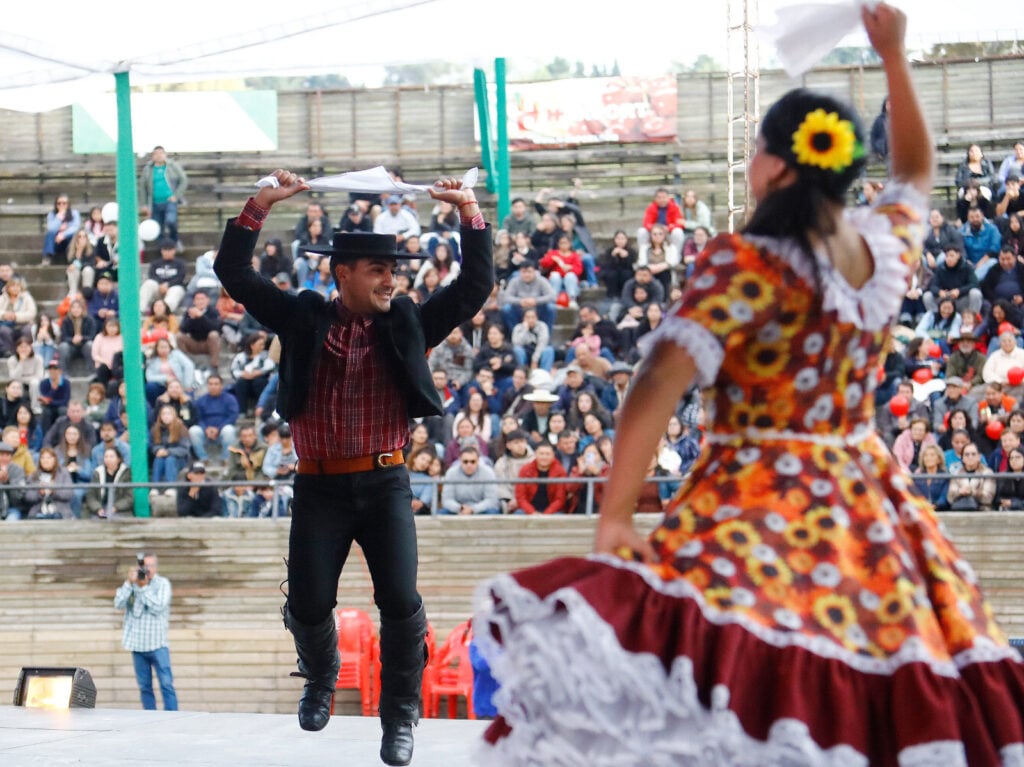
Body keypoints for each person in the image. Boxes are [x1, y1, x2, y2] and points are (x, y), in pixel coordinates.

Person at [474, 6, 1024, 763]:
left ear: (777, 166)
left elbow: (658, 377)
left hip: (753, 496)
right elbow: (915, 169)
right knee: (857, 688)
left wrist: (616, 517)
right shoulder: (882, 248)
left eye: (757, 152)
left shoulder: (749, 264)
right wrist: (893, 54)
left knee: (730, 676)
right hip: (866, 505)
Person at [213, 168, 492, 766]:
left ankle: (399, 718)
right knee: (310, 603)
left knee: (401, 600)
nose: (392, 279)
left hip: (386, 481)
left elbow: (473, 287)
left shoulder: (408, 321)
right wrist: (260, 202)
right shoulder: (303, 316)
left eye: (394, 270)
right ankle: (319, 675)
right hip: (319, 485)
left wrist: (468, 208)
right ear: (344, 274)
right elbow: (233, 273)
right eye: (379, 271)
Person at [112, 552, 178, 710]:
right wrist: (129, 583)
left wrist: (143, 588)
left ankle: (173, 717)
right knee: (144, 688)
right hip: (138, 645)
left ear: (155, 567)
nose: (146, 570)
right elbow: (118, 604)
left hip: (157, 644)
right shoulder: (132, 584)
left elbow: (158, 607)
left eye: (150, 566)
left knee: (167, 685)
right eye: (144, 566)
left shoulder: (162, 583)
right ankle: (150, 718)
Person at [139, 146, 188, 245]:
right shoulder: (148, 169)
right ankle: (163, 247)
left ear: (165, 154)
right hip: (154, 202)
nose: (159, 155)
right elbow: (142, 187)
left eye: (161, 153)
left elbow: (184, 180)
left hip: (170, 201)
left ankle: (175, 241)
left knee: (171, 221)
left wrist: (176, 196)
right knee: (157, 226)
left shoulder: (172, 166)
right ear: (152, 156)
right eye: (156, 153)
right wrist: (144, 204)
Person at [439, 445, 500, 515]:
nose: (469, 465)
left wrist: (473, 509)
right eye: (465, 461)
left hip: (481, 510)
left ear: (478, 461)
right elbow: (447, 500)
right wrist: (460, 508)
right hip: (458, 510)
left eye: (473, 461)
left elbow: (491, 500)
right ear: (460, 461)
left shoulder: (488, 472)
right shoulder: (451, 473)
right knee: (440, 514)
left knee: (492, 512)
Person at [82, 446, 133, 519]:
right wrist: (98, 509)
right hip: (100, 507)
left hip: (119, 510)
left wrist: (115, 508)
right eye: (106, 456)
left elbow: (129, 498)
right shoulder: (97, 473)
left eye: (111, 456)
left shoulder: (126, 473)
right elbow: (91, 495)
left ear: (118, 459)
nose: (108, 459)